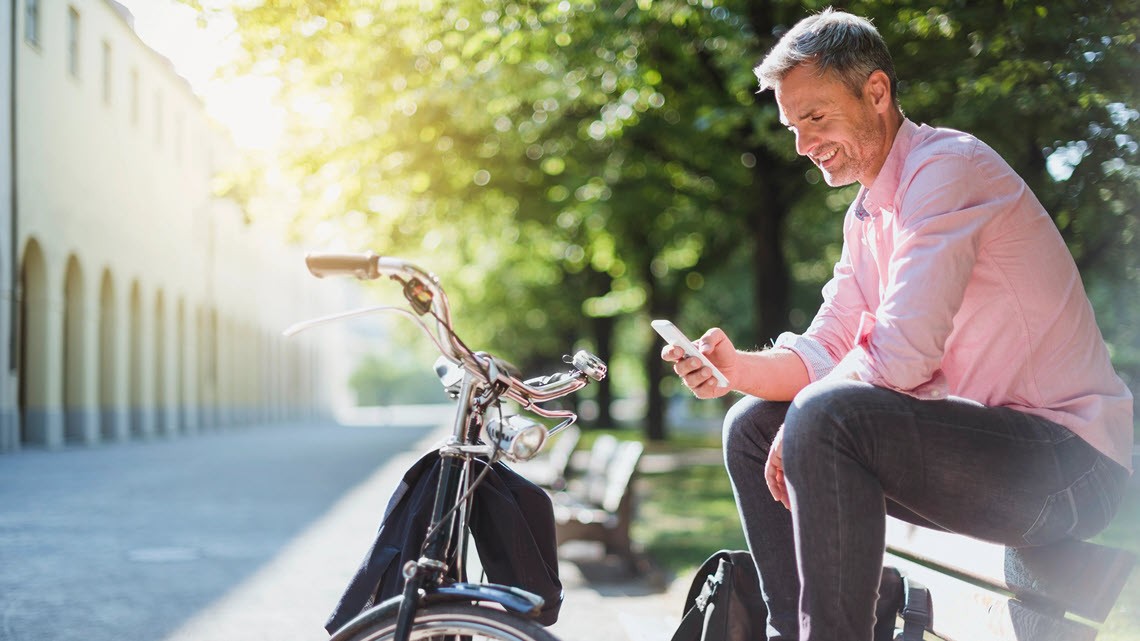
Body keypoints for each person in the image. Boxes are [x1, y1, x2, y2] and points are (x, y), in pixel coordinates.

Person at [661, 8, 1134, 641]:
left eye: (816, 117)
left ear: (876, 92)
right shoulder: (867, 215)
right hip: (978, 457)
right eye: (792, 125)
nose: (801, 144)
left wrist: (809, 414)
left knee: (825, 416)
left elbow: (901, 353)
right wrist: (735, 370)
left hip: (1069, 463)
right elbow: (827, 348)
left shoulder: (947, 168)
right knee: (750, 425)